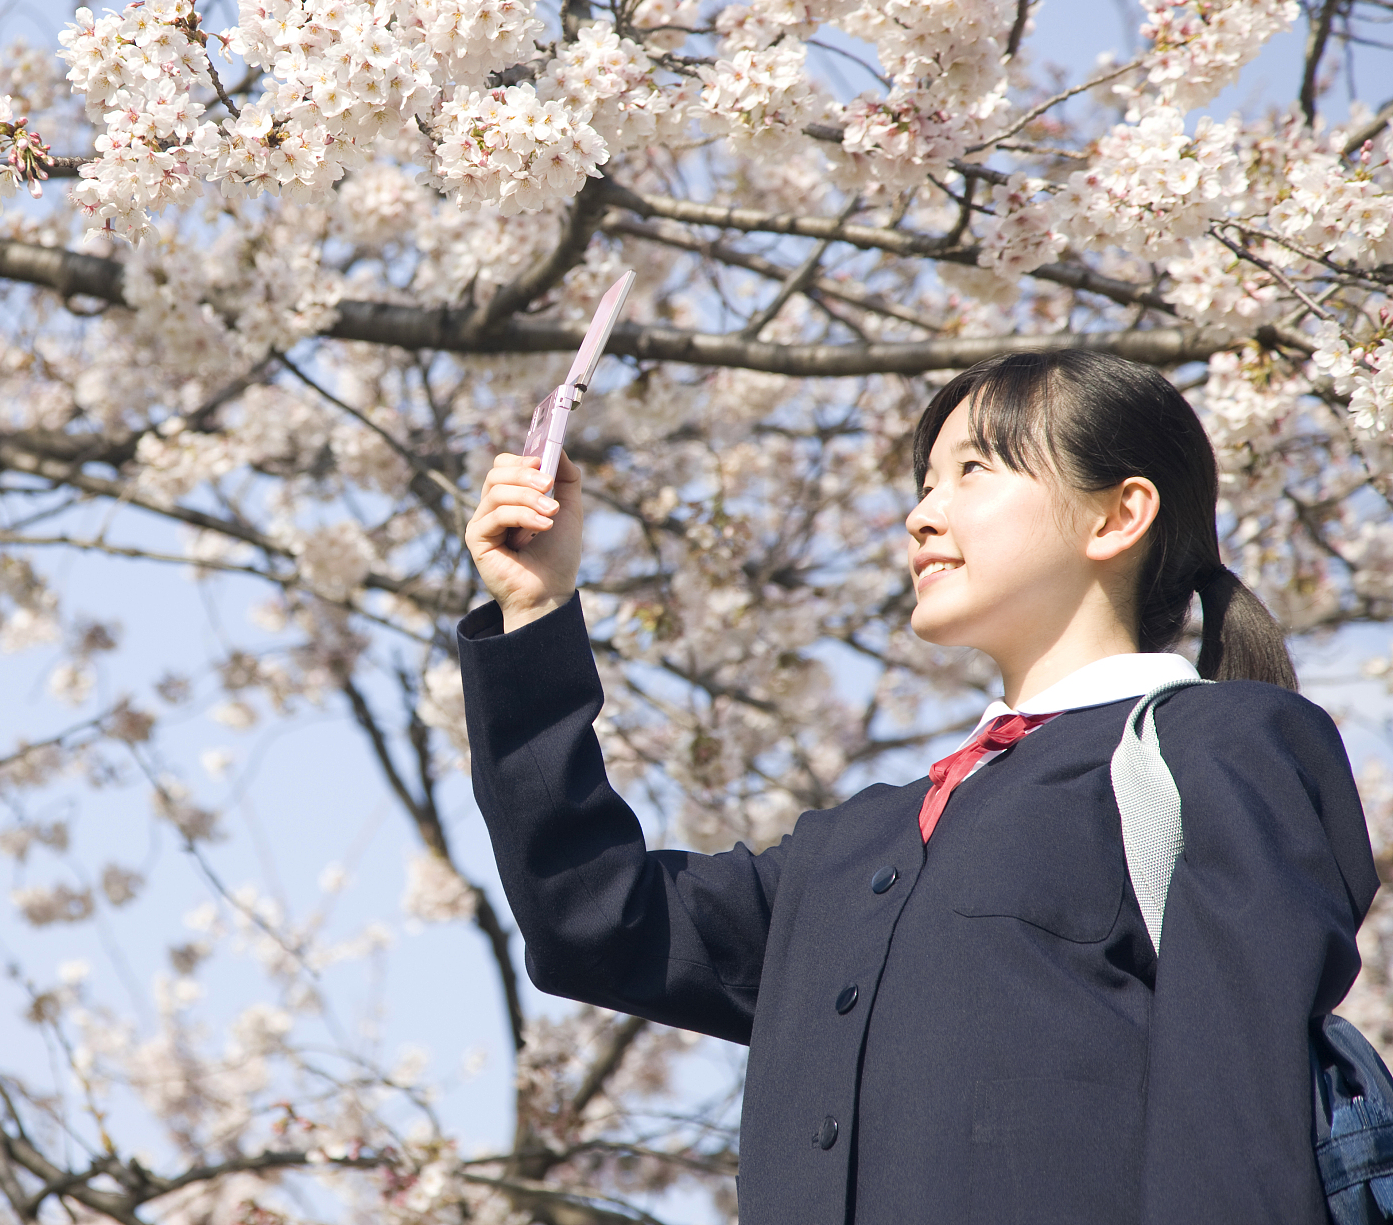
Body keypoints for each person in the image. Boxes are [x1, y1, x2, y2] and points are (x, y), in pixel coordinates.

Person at [457, 350, 1379, 1225]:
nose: (923, 515)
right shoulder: (851, 847)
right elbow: (593, 919)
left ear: (1117, 516)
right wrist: (534, 609)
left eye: (973, 470)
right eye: (925, 483)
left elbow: (1237, 1116)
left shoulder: (1217, 747)